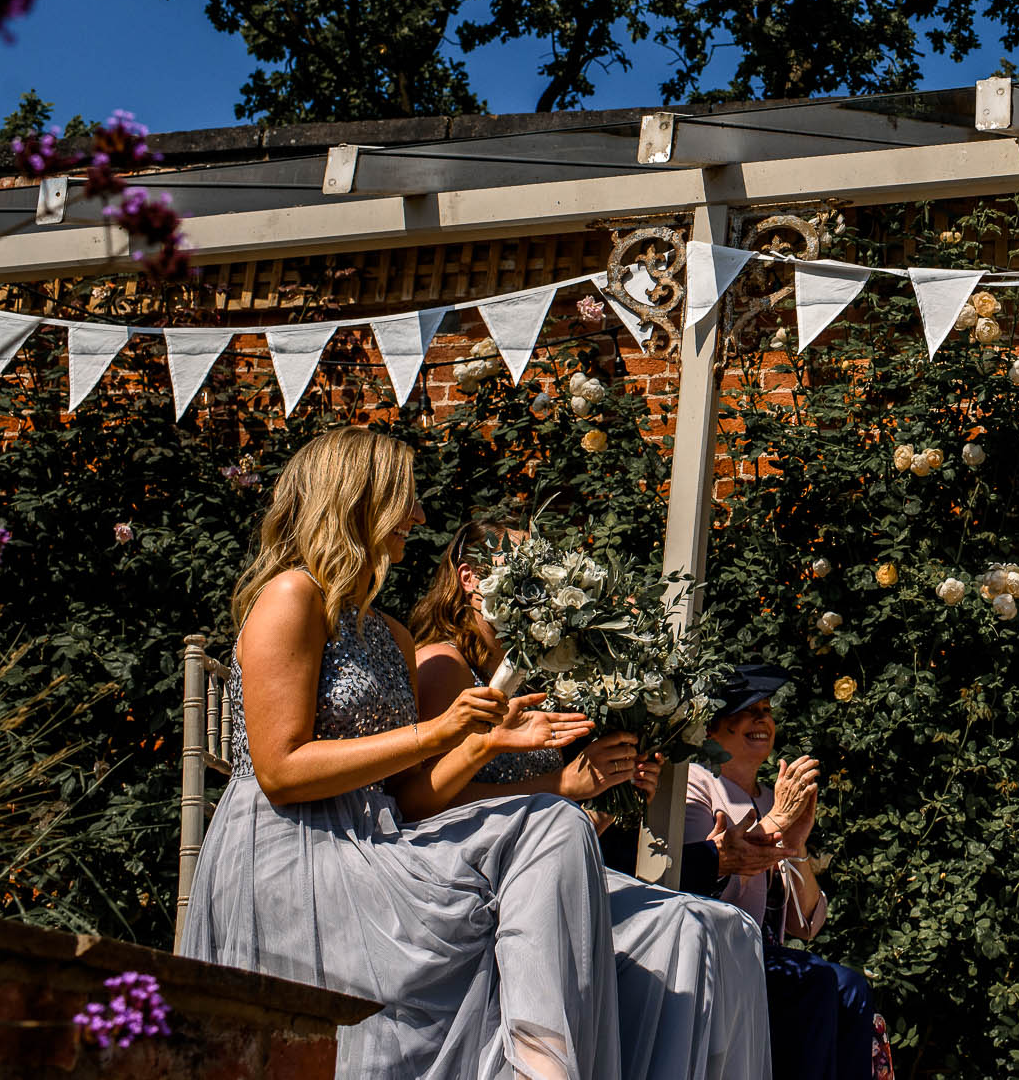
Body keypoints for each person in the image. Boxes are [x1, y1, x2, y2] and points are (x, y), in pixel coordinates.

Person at [178, 426, 623, 1079]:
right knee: (545, 830)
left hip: (380, 840)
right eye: (405, 497)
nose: (417, 515)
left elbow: (413, 794)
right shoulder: (291, 596)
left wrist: (482, 743)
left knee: (554, 824)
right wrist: (439, 732)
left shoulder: (389, 630)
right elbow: (279, 770)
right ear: (356, 498)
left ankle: (542, 1065)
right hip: (293, 852)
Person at [409, 517, 776, 1080]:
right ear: (470, 580)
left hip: (537, 868)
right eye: (526, 582)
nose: (543, 603)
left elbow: (561, 827)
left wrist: (610, 793)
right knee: (683, 927)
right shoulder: (443, 667)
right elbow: (431, 802)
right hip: (468, 874)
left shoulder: (533, 678)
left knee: (727, 929)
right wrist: (563, 786)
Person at [680, 667, 883, 1080]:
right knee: (822, 984)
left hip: (765, 949)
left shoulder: (774, 797)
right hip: (716, 948)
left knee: (852, 987)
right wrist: (776, 821)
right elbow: (700, 877)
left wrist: (800, 847)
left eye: (767, 711)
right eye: (747, 711)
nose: (762, 721)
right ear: (714, 725)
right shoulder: (694, 786)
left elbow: (806, 924)